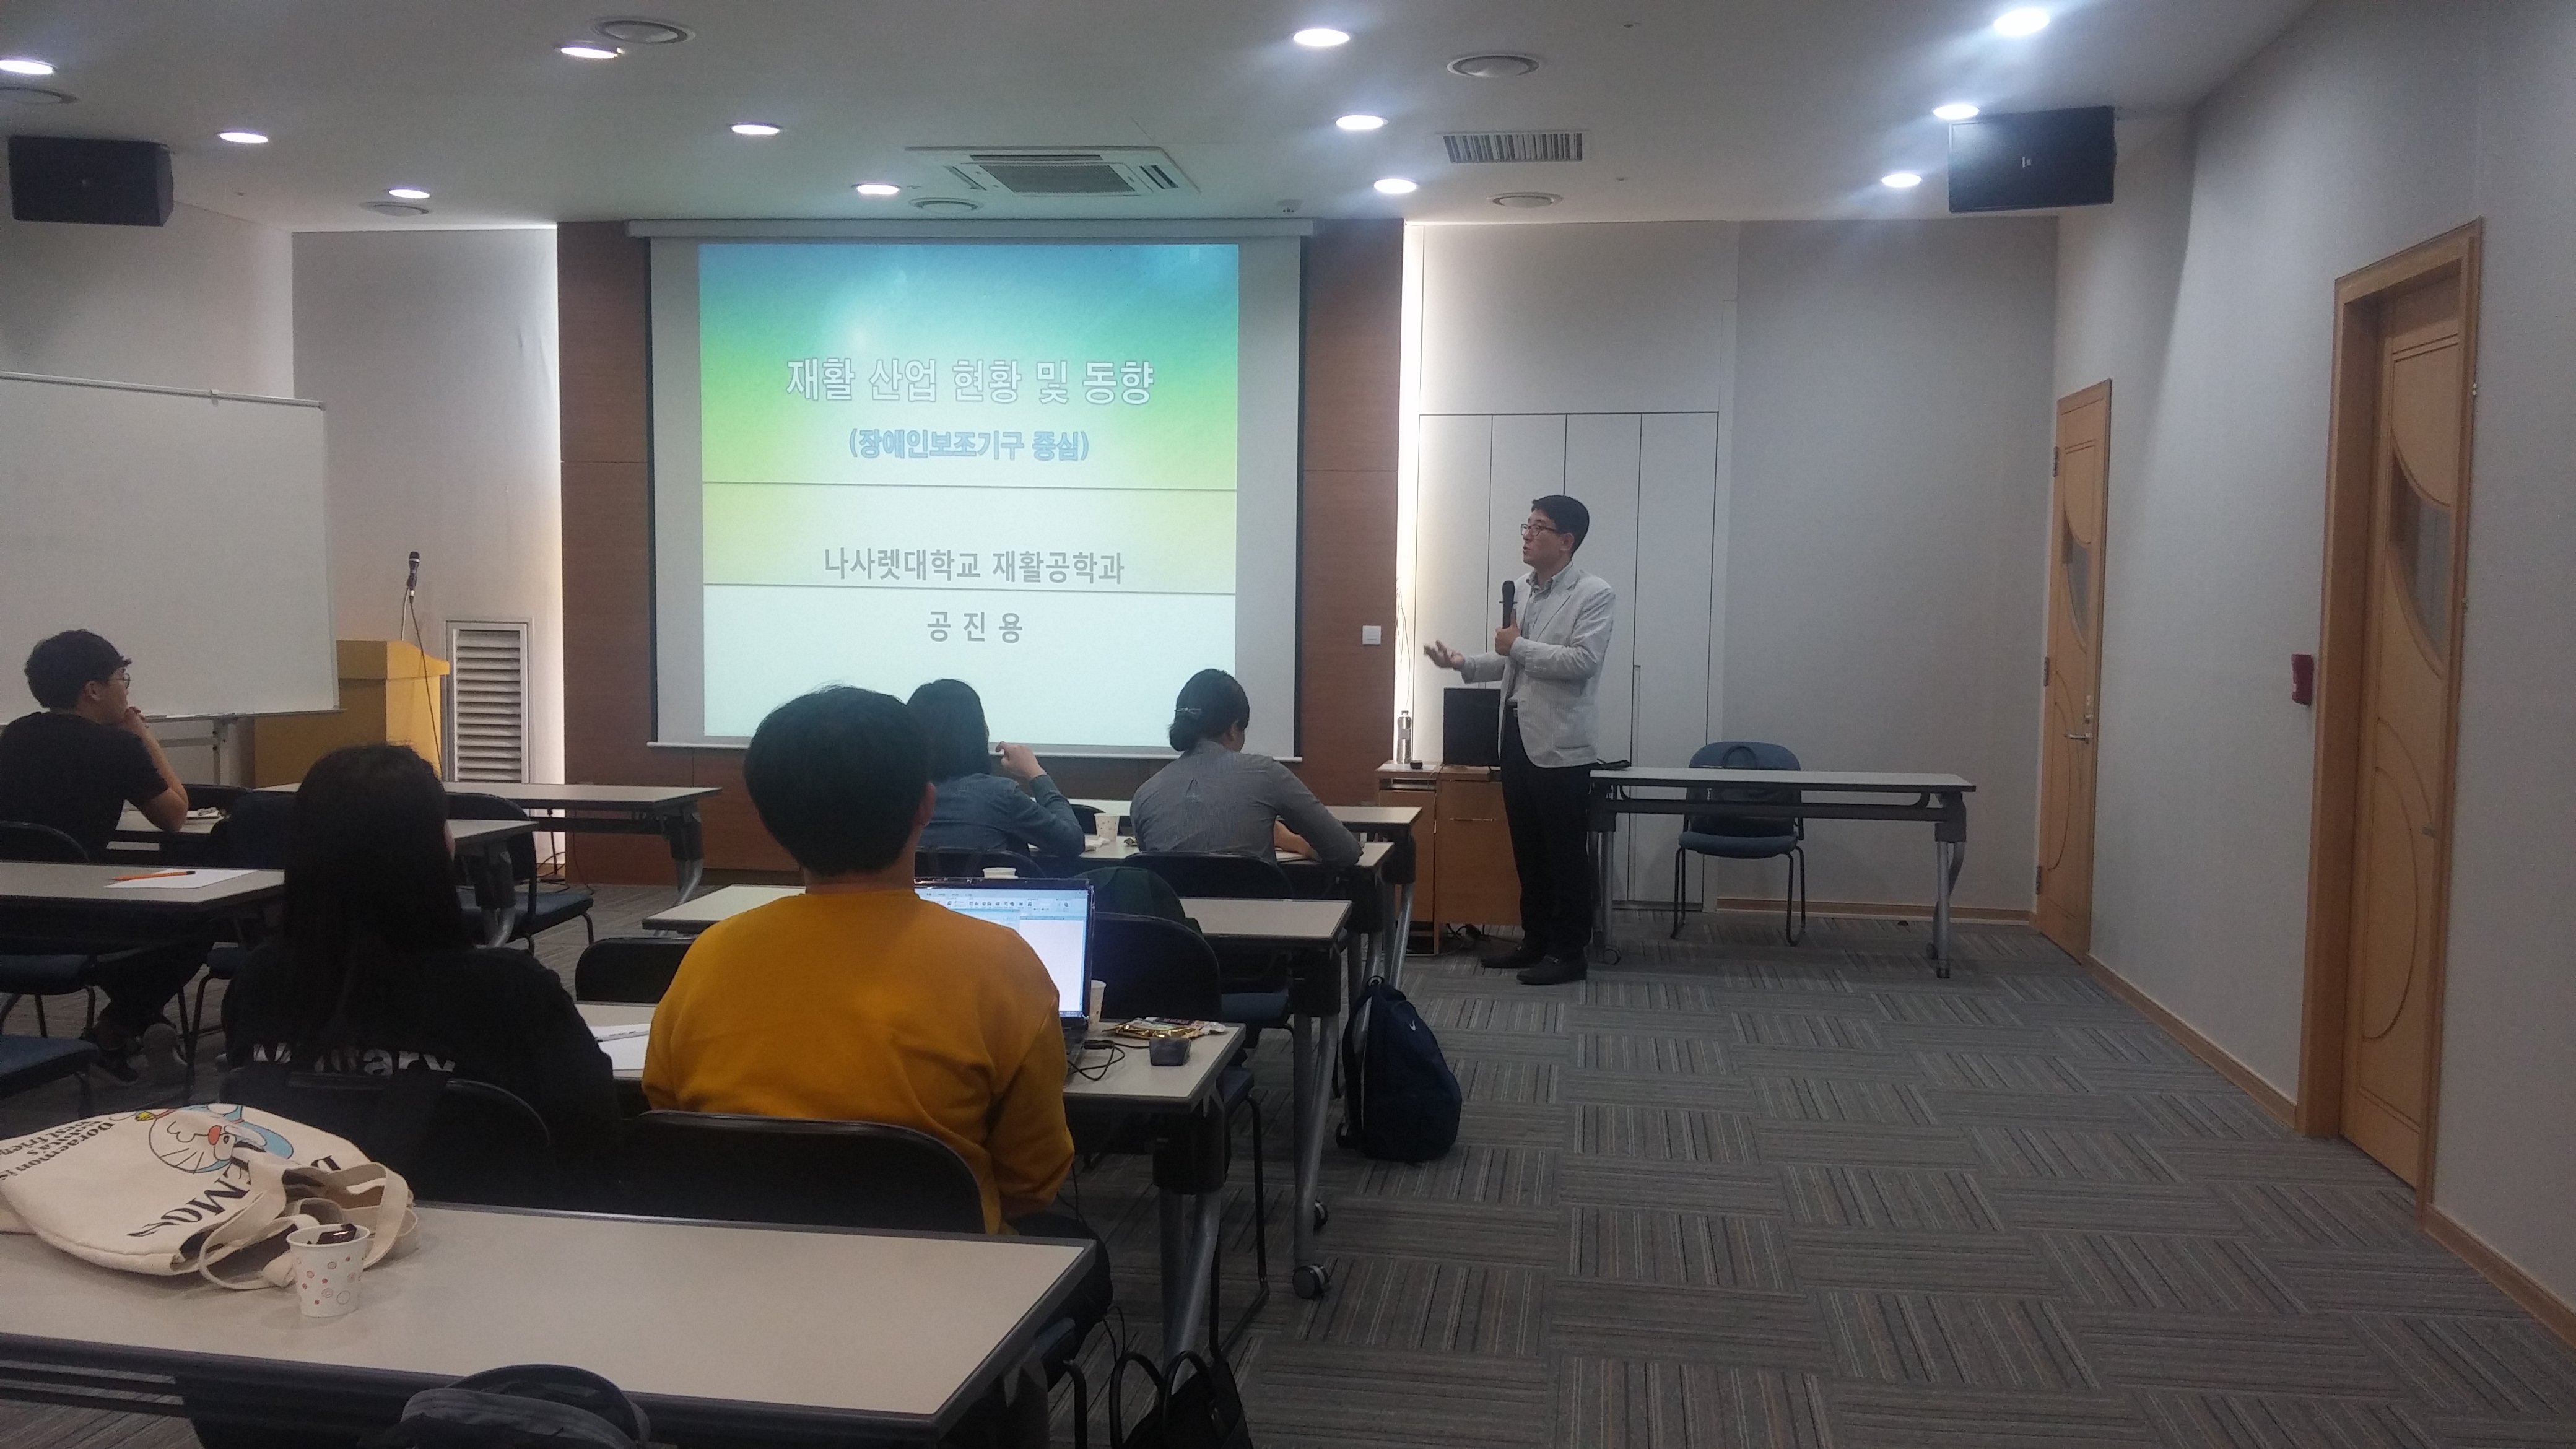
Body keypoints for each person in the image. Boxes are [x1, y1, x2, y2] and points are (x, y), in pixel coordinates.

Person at [643, 687, 1105, 1279]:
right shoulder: (1002, 964)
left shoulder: (709, 956)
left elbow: (670, 1118)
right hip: (944, 1285)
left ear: (771, 820)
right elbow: (1032, 1181)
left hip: (737, 1274)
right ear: (925, 806)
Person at [222, 744, 619, 1170]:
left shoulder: (261, 981)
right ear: (433, 851)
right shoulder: (510, 992)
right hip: (492, 1210)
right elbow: (596, 1143)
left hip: (313, 1209)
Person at [1422, 494, 1616, 986]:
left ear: (1566, 540)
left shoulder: (1594, 594)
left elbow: (1581, 662)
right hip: (1515, 739)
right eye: (1526, 526)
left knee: (1564, 855)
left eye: (1538, 527)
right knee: (1528, 851)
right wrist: (1465, 664)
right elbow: (1513, 658)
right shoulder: (1525, 591)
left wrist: (1518, 646)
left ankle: (1569, 953)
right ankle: (1536, 942)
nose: (1527, 535)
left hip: (1560, 747)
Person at [0, 629, 202, 1080]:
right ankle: (114, 1031)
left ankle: (134, 1029)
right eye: (120, 678)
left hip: (11, 920)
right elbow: (175, 815)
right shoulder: (117, 747)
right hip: (76, 926)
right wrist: (142, 735)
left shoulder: (13, 736)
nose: (125, 690)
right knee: (196, 919)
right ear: (93, 690)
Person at [1130, 668, 1362, 868]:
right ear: (1233, 729)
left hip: (1178, 908)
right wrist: (1292, 841)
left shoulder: (1144, 795)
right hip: (1257, 907)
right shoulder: (1267, 773)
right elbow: (1345, 851)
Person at [908, 678, 1087, 863]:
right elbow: (1071, 842)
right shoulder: (1001, 795)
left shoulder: (896, 798)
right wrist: (1035, 772)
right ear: (978, 733)